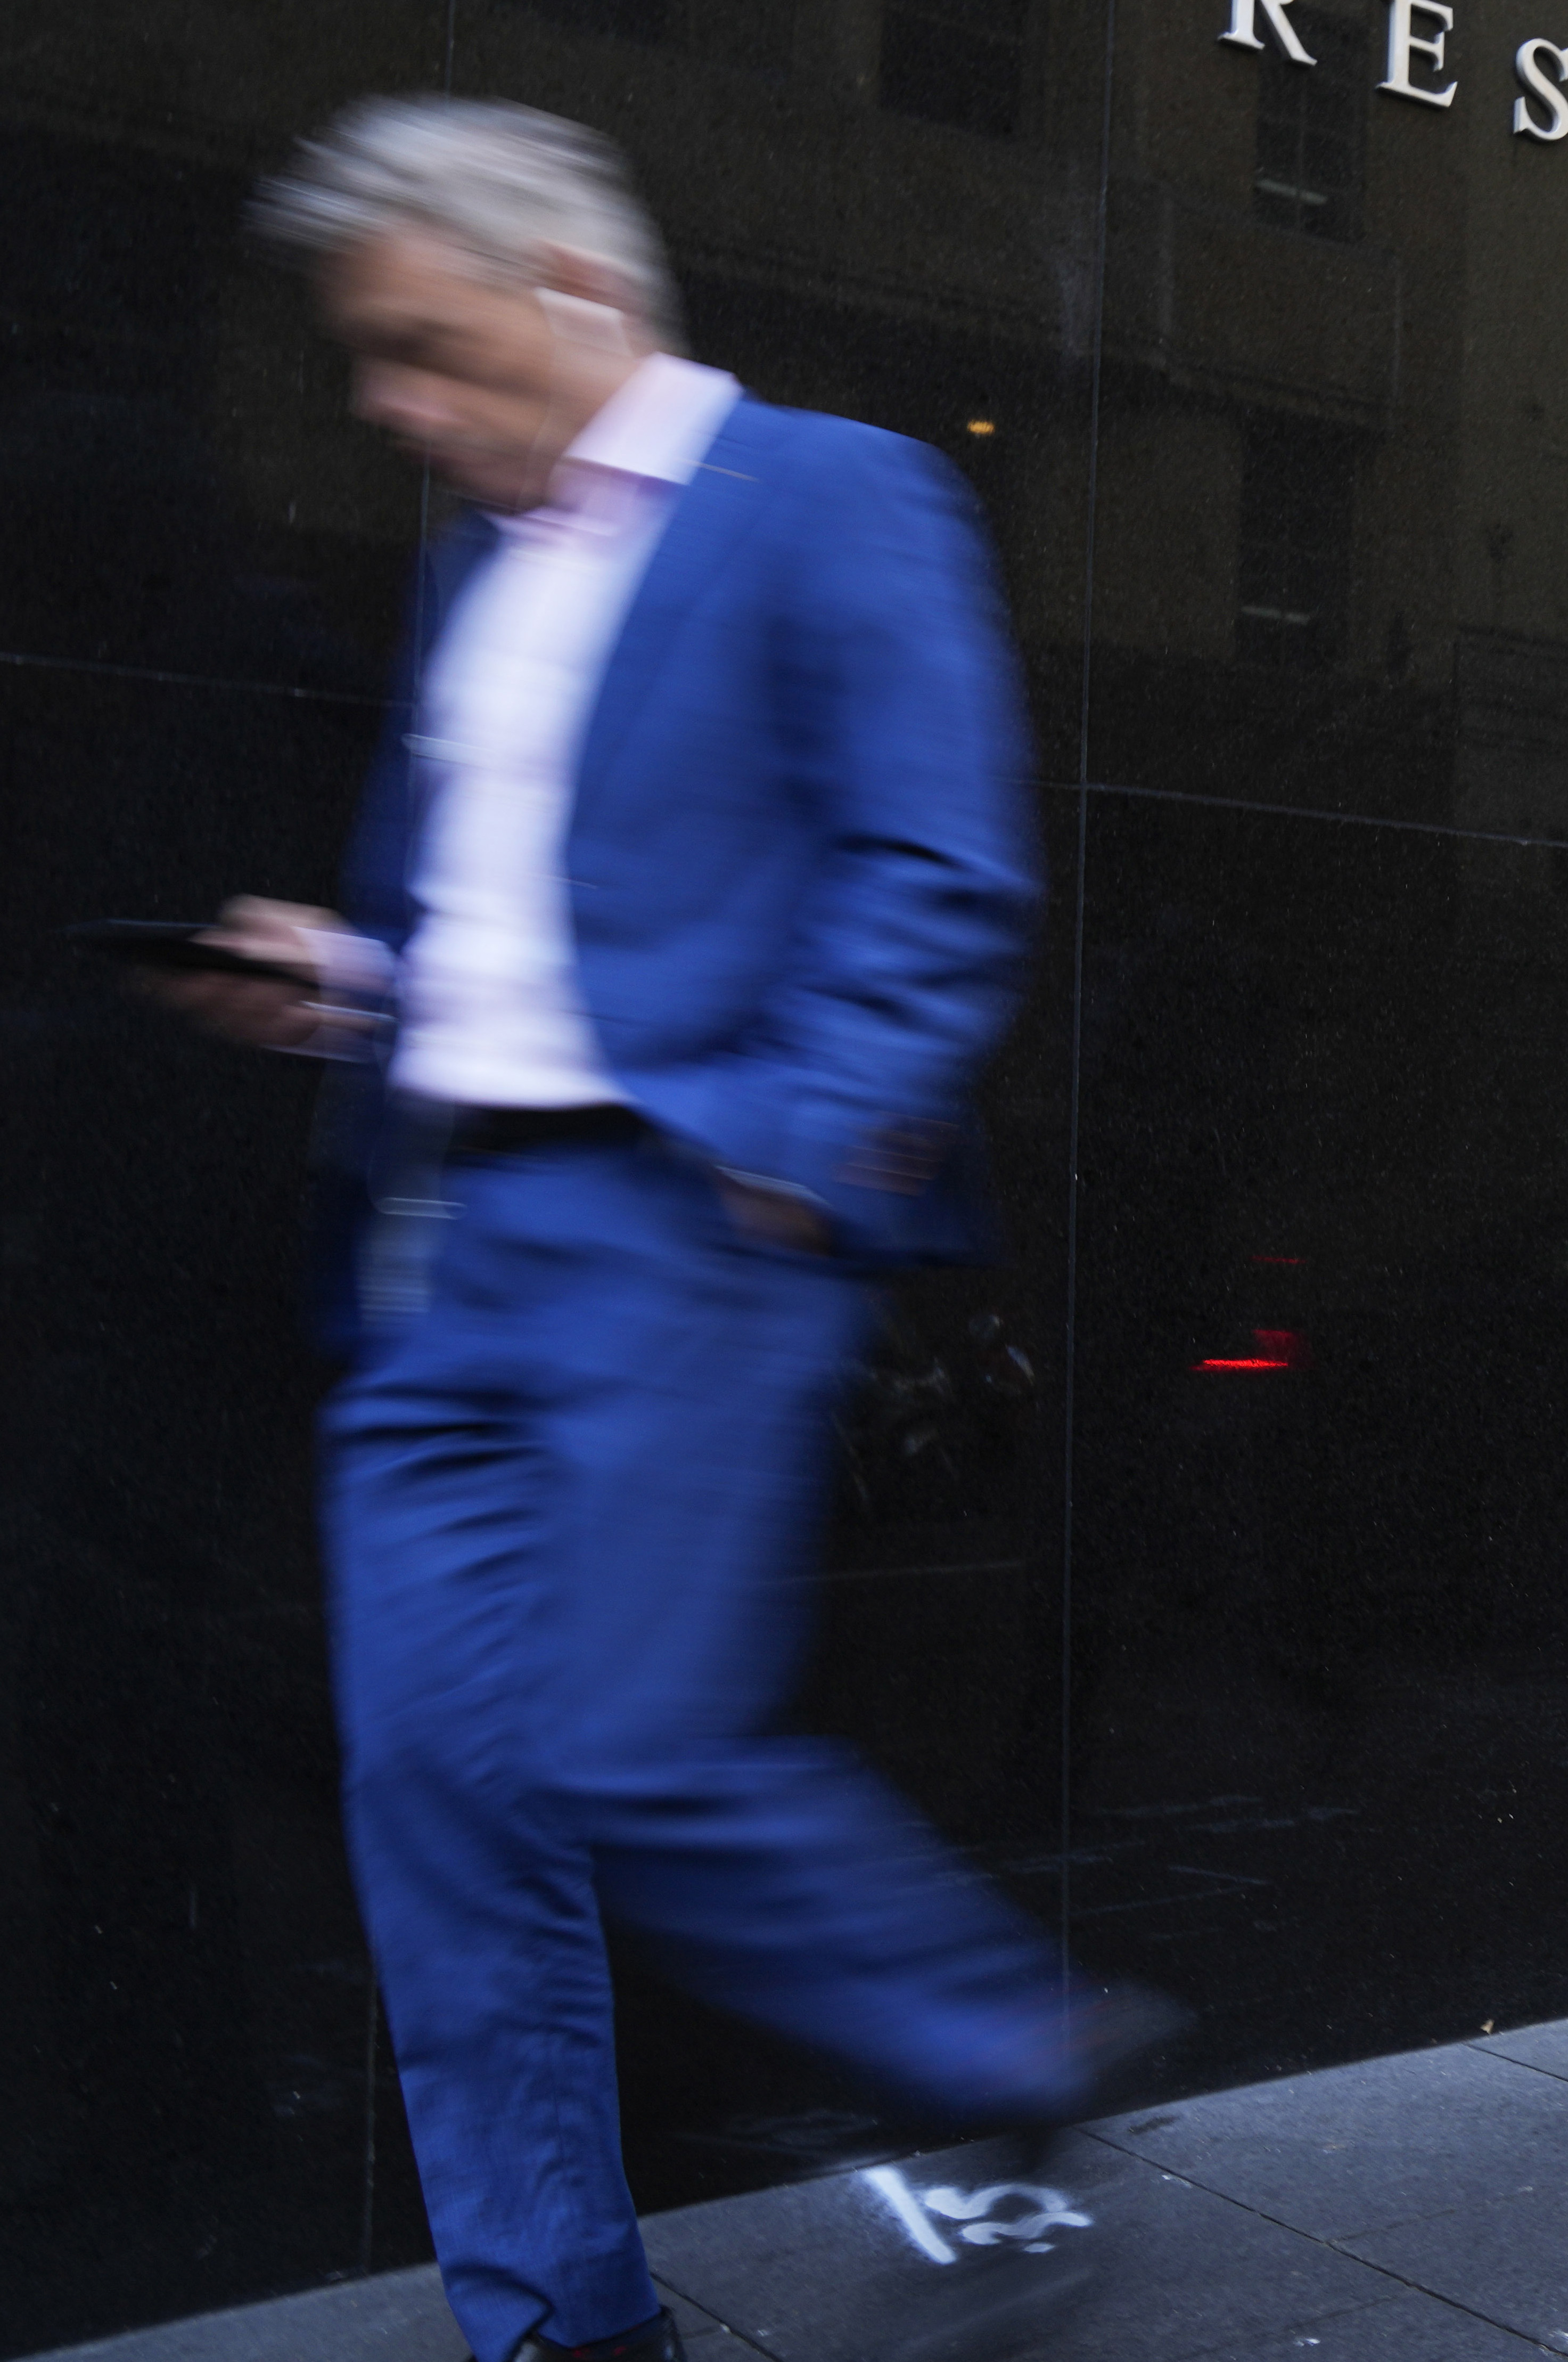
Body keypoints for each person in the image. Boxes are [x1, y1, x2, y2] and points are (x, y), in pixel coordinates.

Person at [152, 96, 1143, 2362]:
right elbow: (489, 936)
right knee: (429, 1786)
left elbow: (937, 869)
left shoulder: (834, 493)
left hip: (678, 1223)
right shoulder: (481, 572)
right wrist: (343, 979)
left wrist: (789, 1147)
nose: (392, 401)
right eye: (363, 362)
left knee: (621, 1736)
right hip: (440, 1252)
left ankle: (1012, 2042)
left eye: (422, 343)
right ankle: (565, 2320)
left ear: (577, 290)